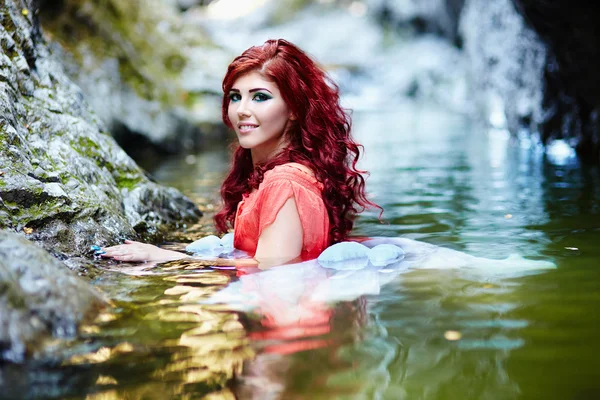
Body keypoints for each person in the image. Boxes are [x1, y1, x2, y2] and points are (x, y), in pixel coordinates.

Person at [102, 39, 378, 268]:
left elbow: (273, 271)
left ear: (294, 109)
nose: (242, 109)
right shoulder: (279, 175)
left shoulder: (285, 183)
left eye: (260, 97)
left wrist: (166, 257)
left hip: (288, 327)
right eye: (236, 96)